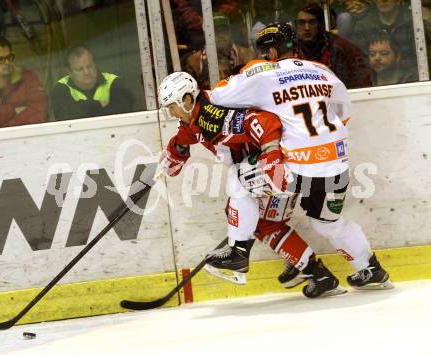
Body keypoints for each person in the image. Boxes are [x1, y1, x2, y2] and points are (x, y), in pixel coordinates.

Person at [207, 23, 393, 290]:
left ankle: (238, 252)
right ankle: (370, 268)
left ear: (270, 51)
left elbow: (215, 98)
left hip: (296, 171)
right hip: (336, 166)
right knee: (328, 223)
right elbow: (344, 112)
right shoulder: (323, 70)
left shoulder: (263, 72)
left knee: (239, 177)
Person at [157, 71, 346, 298]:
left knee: (239, 185)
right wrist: (175, 151)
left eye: (172, 106)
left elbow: (266, 122)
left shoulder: (212, 116)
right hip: (268, 170)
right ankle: (315, 273)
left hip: (275, 167)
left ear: (187, 100)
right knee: (265, 225)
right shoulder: (195, 119)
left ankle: (238, 254)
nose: (171, 112)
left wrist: (271, 155)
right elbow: (186, 136)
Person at [294, 2, 372, 89]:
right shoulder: (291, 49)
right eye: (301, 23)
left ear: (320, 24)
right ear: (296, 25)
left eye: (312, 22)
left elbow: (363, 76)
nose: (307, 28)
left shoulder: (340, 47)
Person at [51, 45, 134, 121]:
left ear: (95, 64)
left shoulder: (113, 82)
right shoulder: (60, 89)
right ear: (69, 72)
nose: (86, 72)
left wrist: (83, 108)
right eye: (80, 69)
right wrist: (101, 105)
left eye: (89, 66)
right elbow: (66, 120)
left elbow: (126, 114)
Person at [0, 36, 47, 128]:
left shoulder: (27, 77)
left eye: (9, 57)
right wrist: (12, 110)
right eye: (0, 59)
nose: (7, 62)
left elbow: (39, 114)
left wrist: (1, 128)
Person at [352, 0, 417, 72]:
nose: (383, 1)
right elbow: (361, 63)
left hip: (411, 77)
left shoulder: (415, 23)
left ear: (398, 1)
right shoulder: (362, 28)